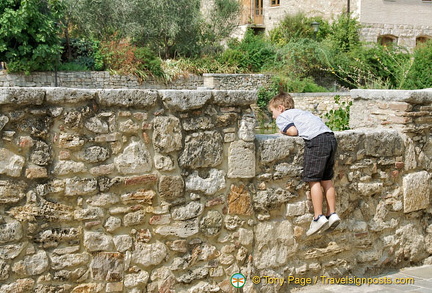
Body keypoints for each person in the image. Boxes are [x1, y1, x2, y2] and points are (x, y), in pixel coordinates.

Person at [268, 92, 340, 236]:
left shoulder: (283, 117)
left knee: (314, 180)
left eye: (272, 112)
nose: (273, 116)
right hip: (330, 138)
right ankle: (332, 213)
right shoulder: (301, 113)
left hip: (316, 142)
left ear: (280, 108)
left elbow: (293, 131)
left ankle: (318, 217)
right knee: (327, 180)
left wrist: (283, 130)